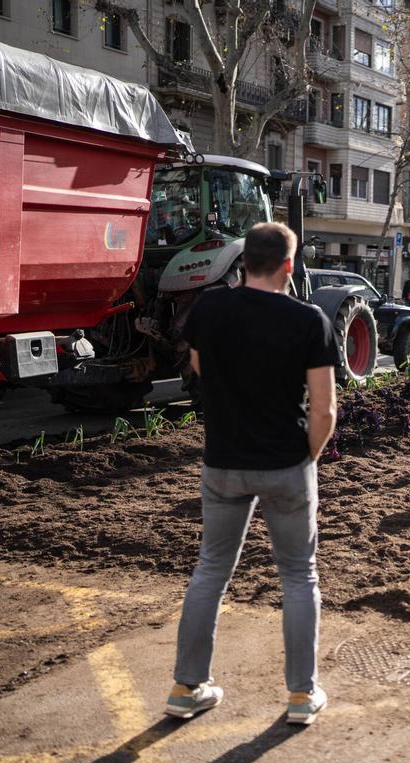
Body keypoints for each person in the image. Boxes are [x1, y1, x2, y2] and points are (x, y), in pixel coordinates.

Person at [168, 222, 339, 726]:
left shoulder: (210, 309)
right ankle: (301, 698)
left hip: (222, 462)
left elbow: (199, 365)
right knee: (298, 576)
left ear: (244, 263)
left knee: (211, 572)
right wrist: (306, 457)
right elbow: (325, 410)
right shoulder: (308, 320)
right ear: (289, 265)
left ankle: (186, 687)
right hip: (286, 463)